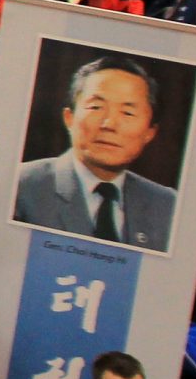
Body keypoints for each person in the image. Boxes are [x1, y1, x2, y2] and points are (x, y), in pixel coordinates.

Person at [12, 54, 177, 251]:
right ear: (69, 118)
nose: (109, 124)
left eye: (128, 113)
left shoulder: (167, 205)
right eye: (96, 107)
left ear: (150, 132)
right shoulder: (21, 185)